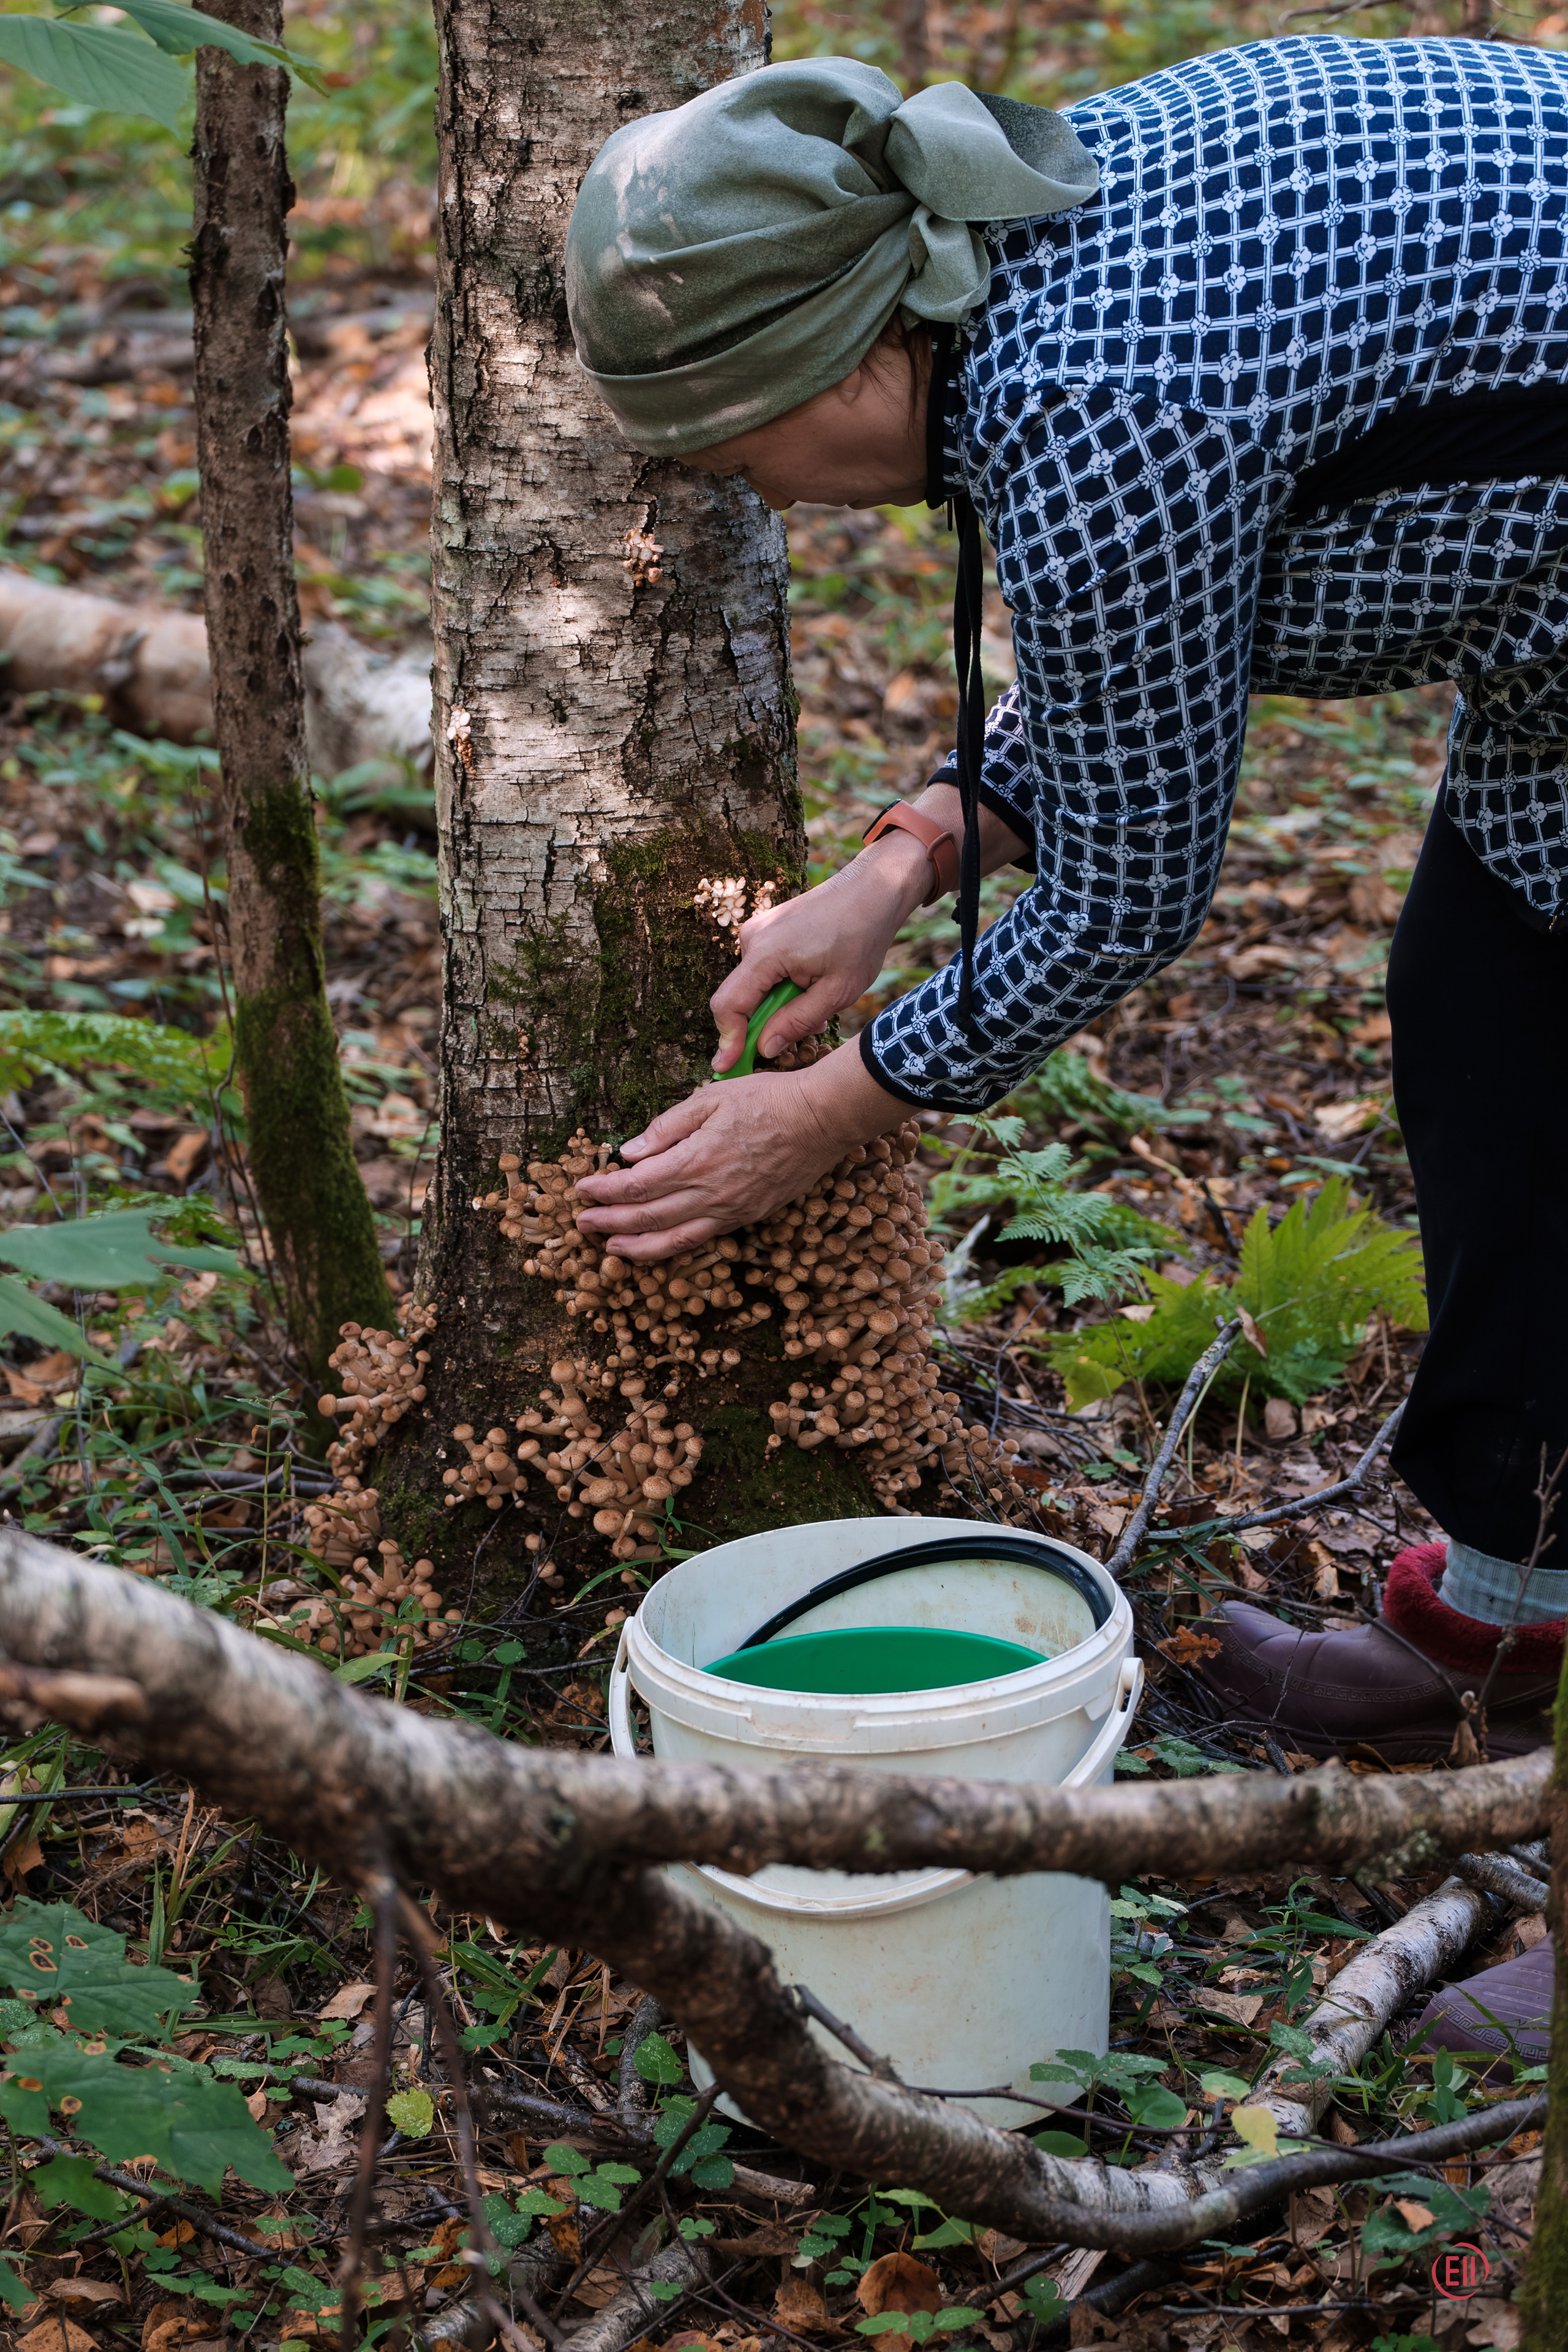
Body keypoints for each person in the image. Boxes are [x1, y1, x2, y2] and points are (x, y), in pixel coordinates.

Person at [564, 36, 1567, 2043]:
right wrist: (905, 858)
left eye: (735, 451)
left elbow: (1129, 889)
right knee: (1497, 1031)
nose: (755, 496)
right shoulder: (1005, 249)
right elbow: (1142, 660)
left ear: (842, 361)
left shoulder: (1089, 392)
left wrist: (827, 1113)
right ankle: (1512, 1613)